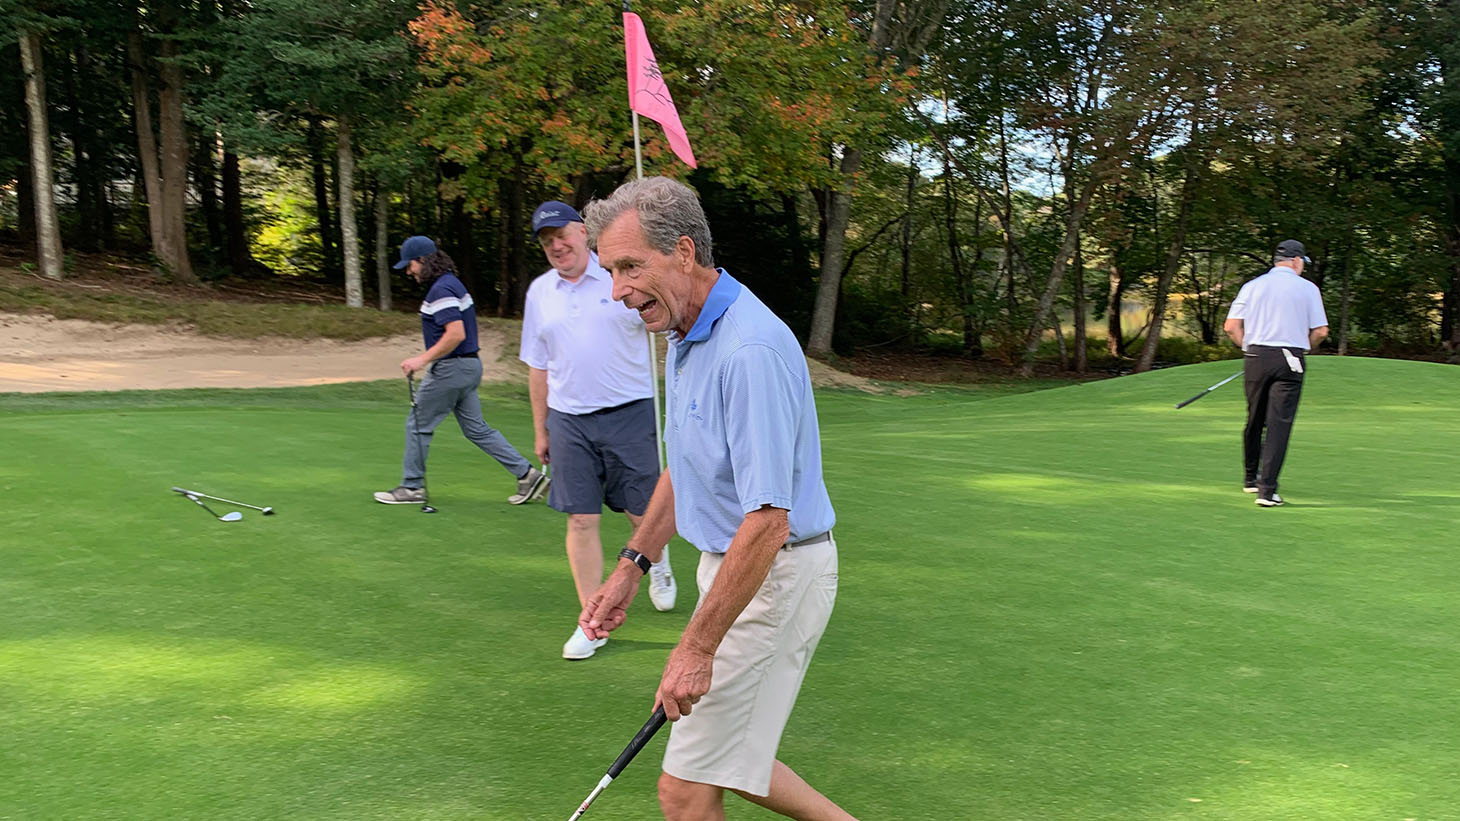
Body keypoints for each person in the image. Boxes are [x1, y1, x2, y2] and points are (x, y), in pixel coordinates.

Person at [579, 177, 853, 820]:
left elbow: (768, 521)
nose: (617, 290)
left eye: (628, 266)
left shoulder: (748, 349)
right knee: (732, 762)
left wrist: (695, 647)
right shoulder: (685, 330)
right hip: (740, 569)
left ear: (682, 251)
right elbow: (688, 467)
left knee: (685, 787)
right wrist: (630, 568)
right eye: (610, 272)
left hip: (774, 573)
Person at [521, 200, 678, 661]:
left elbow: (663, 324)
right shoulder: (540, 293)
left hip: (630, 412)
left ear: (583, 233)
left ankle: (659, 562)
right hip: (569, 419)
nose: (556, 245)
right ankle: (592, 624)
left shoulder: (619, 278)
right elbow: (537, 365)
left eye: (562, 235)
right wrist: (542, 428)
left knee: (640, 513)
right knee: (581, 519)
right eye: (547, 241)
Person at [374, 235, 548, 507]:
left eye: (410, 265)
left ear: (423, 260)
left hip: (452, 368)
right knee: (476, 429)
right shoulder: (450, 284)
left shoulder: (441, 290)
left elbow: (455, 333)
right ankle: (527, 475)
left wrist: (422, 359)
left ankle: (412, 487)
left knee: (418, 423)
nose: (409, 272)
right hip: (468, 367)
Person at [1224, 239, 1329, 507]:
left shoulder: (1252, 286)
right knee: (1278, 424)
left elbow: (1231, 327)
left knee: (1255, 419)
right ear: (1296, 261)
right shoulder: (1307, 288)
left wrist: (1249, 348)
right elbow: (1320, 331)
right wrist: (1306, 346)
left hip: (1256, 356)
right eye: (1302, 263)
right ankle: (1267, 491)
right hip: (1290, 357)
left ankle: (1250, 479)